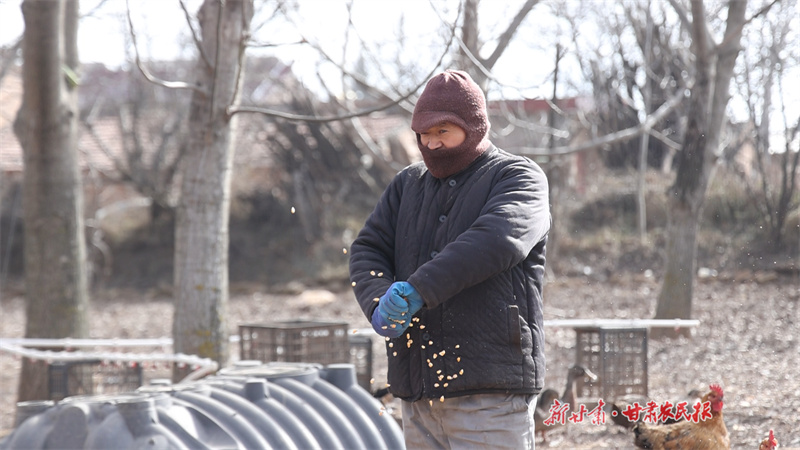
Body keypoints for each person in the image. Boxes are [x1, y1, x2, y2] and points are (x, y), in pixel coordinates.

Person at [349, 69, 550, 449]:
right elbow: (368, 248)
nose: (432, 142)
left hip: (490, 389)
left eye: (443, 131)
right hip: (417, 390)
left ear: (473, 127)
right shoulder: (407, 185)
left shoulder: (517, 177)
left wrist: (419, 289)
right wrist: (379, 300)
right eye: (424, 133)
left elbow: (497, 240)